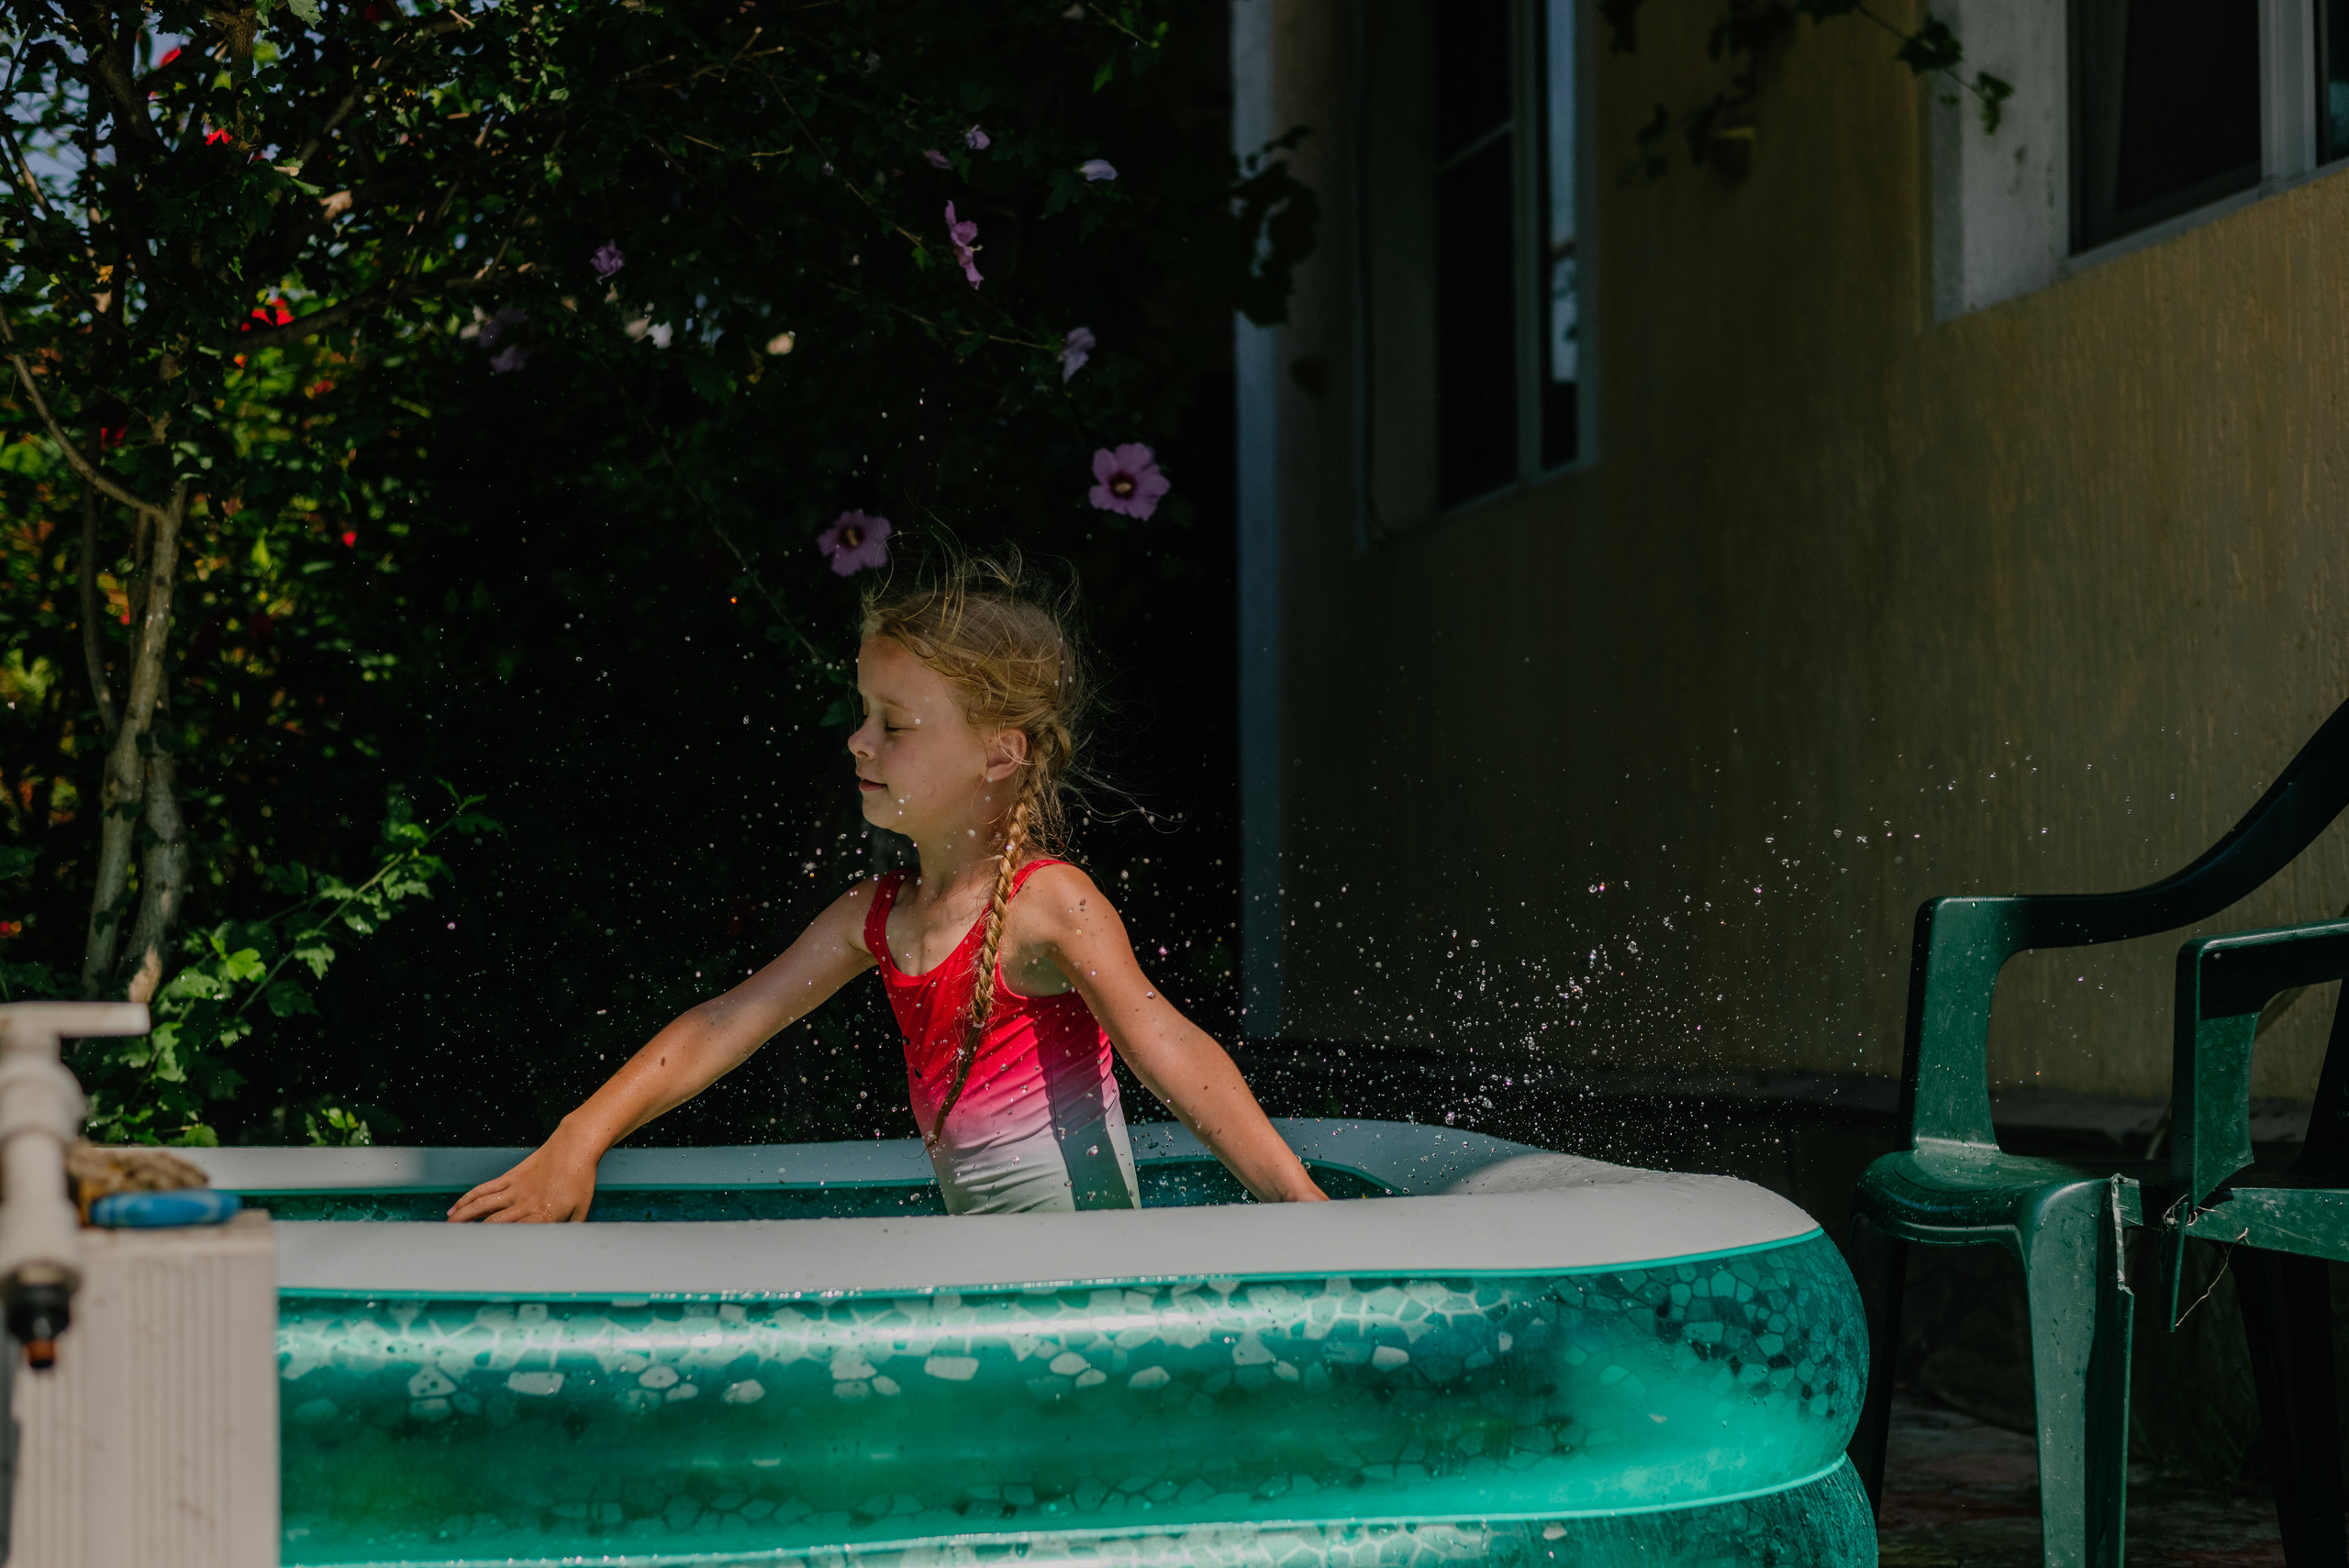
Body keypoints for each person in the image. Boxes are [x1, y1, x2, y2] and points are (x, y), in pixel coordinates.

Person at [449, 556, 1326, 1221]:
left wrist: (1307, 1214)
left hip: (1095, 1292)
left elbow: (1172, 1053)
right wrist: (580, 1135)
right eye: (864, 714)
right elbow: (723, 1023)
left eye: (894, 725)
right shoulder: (875, 918)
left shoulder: (1049, 905)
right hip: (994, 1296)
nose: (858, 742)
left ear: (999, 753)